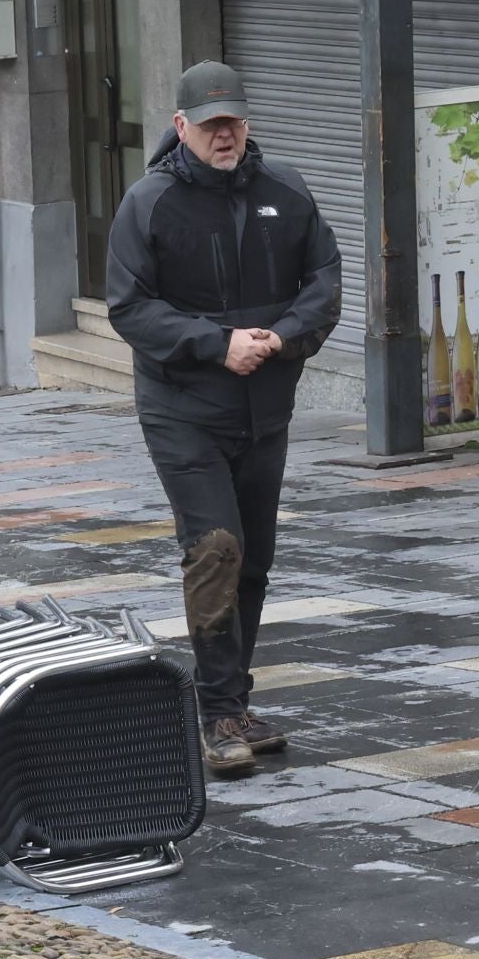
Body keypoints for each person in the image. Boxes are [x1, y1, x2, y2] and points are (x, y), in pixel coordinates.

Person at [105, 61, 342, 778]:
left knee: (255, 559)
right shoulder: (149, 204)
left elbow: (324, 280)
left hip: (265, 408)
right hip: (183, 411)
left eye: (234, 121)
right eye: (211, 125)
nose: (226, 134)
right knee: (216, 547)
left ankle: (236, 702)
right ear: (181, 129)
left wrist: (282, 337)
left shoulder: (286, 192)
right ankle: (214, 714)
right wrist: (218, 344)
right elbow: (129, 306)